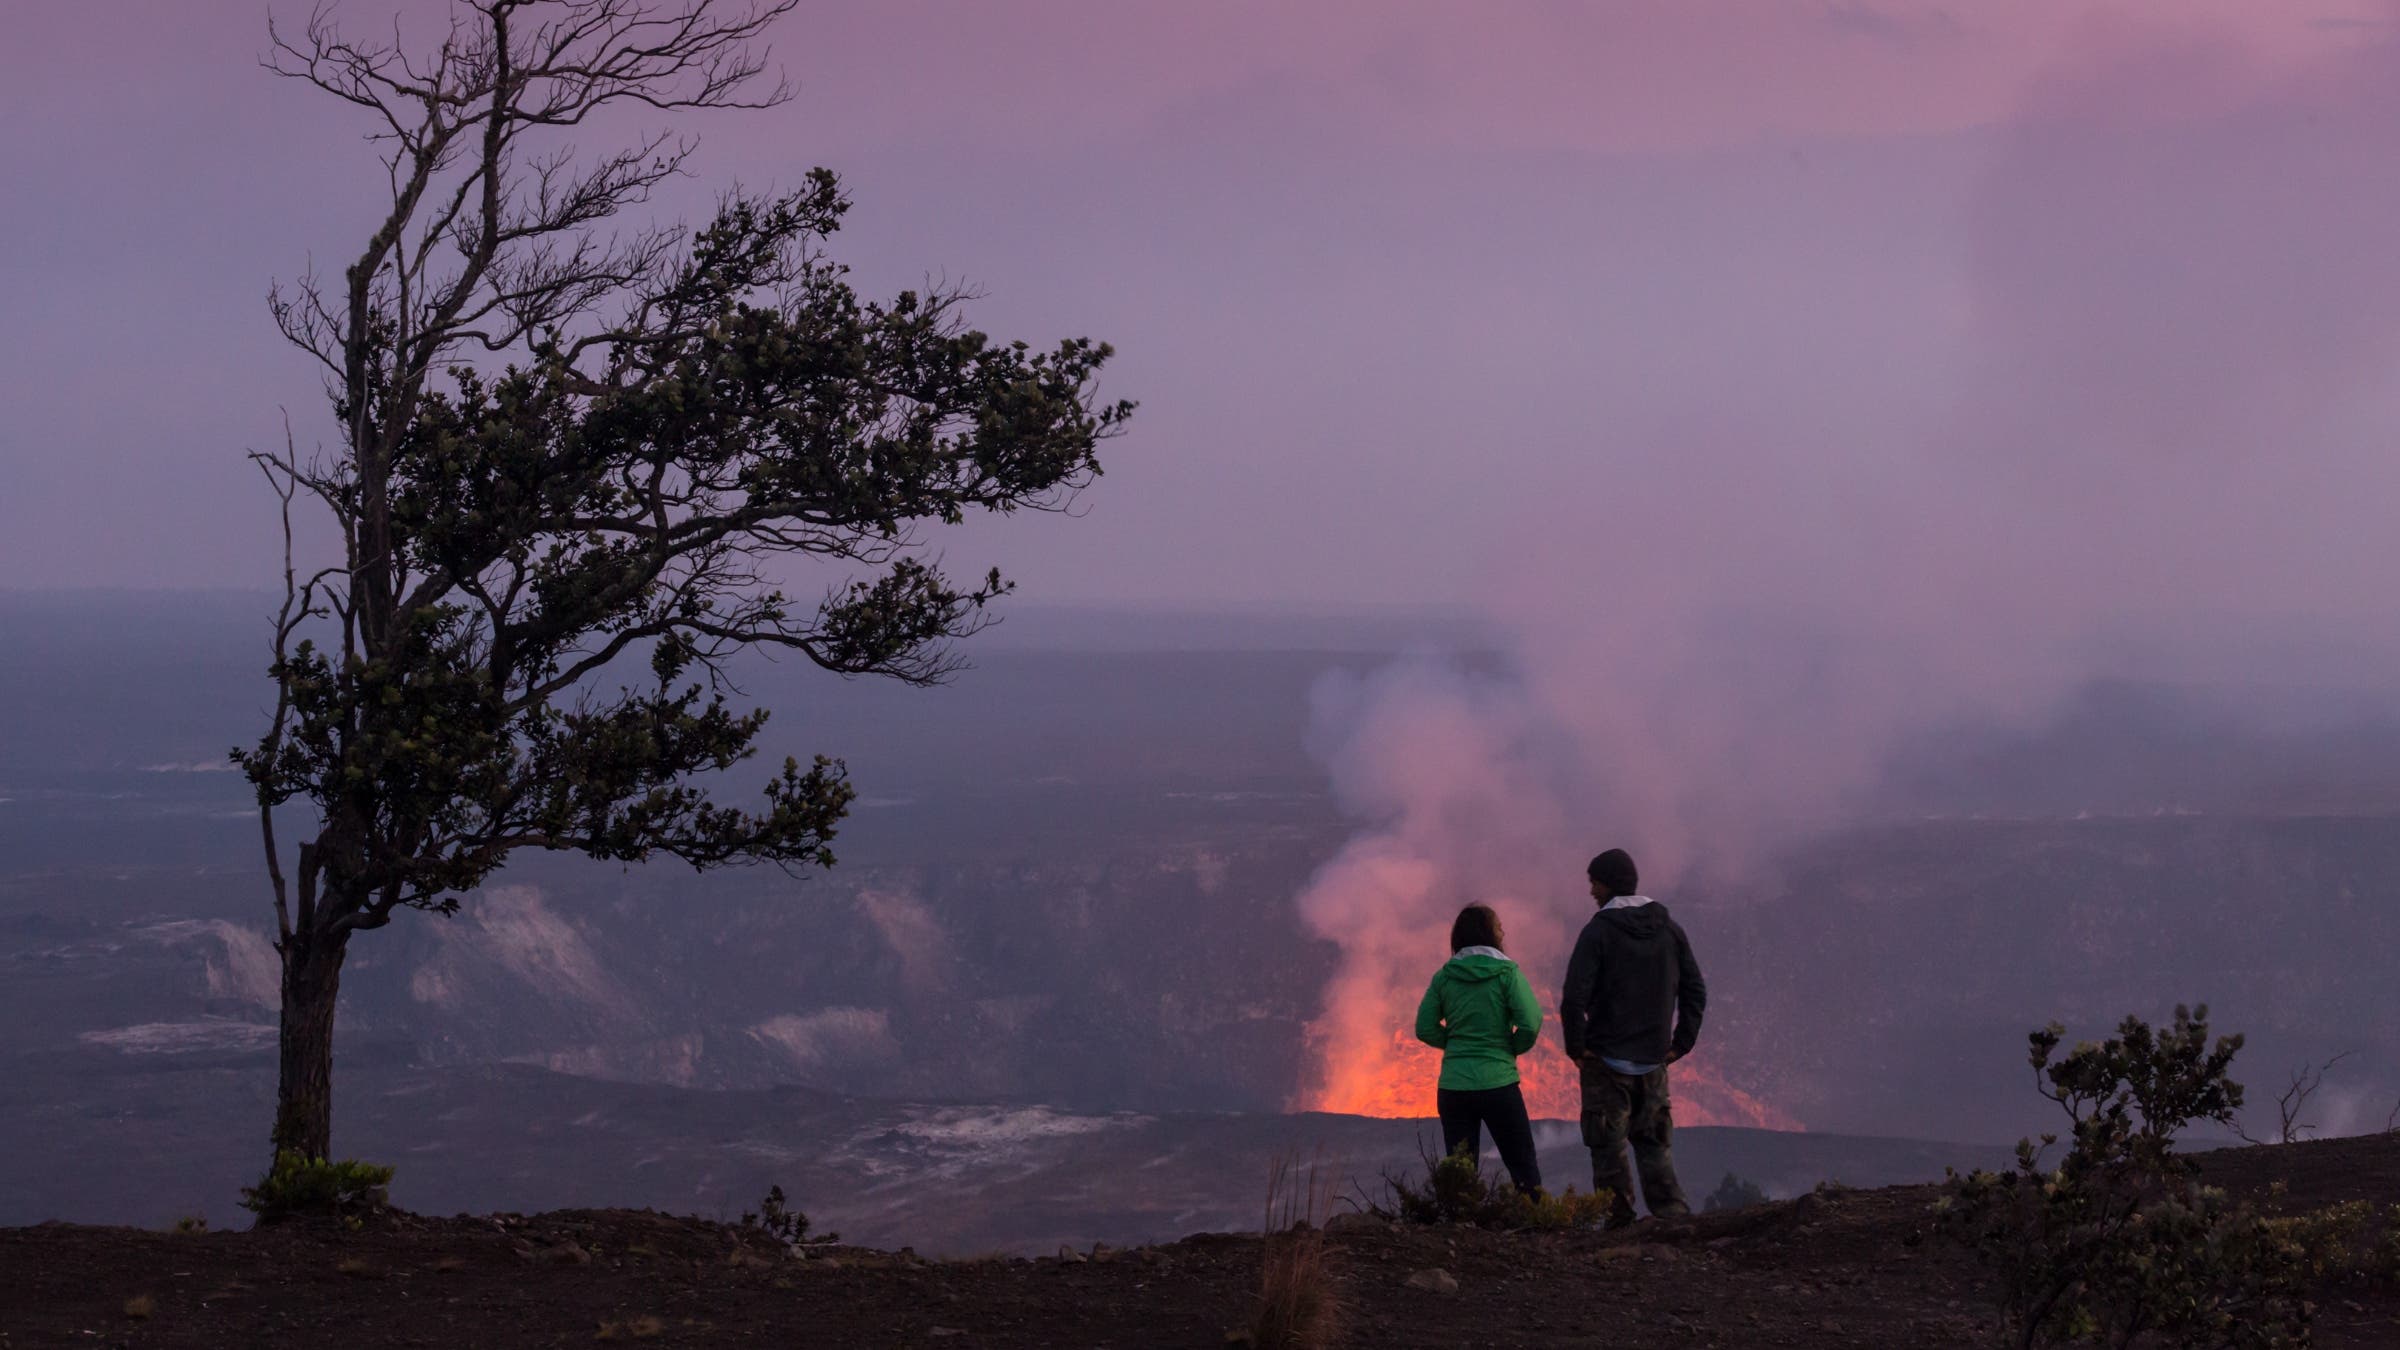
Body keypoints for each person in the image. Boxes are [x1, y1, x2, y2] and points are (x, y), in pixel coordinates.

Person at [1559, 847, 1706, 1226]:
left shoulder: (1598, 932)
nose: (1591, 891)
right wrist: (1679, 1044)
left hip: (1606, 1062)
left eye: (1594, 883)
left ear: (1607, 885)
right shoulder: (1670, 930)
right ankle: (1673, 1221)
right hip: (1654, 1061)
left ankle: (1619, 1226)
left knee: (1608, 1150)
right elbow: (1695, 990)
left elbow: (1574, 997)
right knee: (1655, 1146)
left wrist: (1577, 1048)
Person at [1413, 903, 1545, 1194]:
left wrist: (1454, 1042)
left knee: (1460, 1171)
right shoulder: (1507, 974)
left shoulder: (1444, 977)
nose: (1503, 932)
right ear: (1489, 934)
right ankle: (1536, 1222)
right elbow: (1531, 1022)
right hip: (1499, 1084)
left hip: (1454, 1087)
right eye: (1499, 927)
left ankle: (1461, 1228)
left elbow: (1424, 1027)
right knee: (1522, 1165)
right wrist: (1510, 1047)